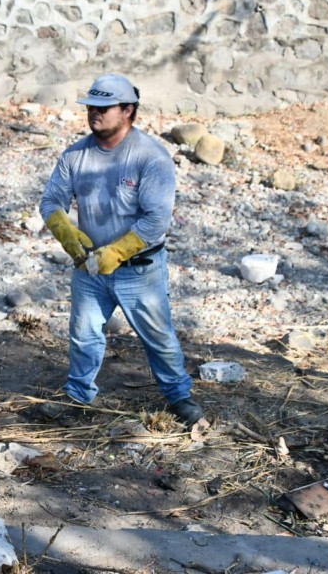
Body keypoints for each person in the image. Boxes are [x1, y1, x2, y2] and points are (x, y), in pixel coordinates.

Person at [39, 73, 203, 427]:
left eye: (103, 107)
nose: (94, 113)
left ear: (127, 110)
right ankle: (78, 395)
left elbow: (156, 219)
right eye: (91, 107)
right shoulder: (76, 155)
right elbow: (51, 200)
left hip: (138, 269)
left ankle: (179, 396)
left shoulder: (150, 157)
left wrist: (117, 252)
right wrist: (64, 230)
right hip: (90, 268)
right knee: (84, 334)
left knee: (158, 336)